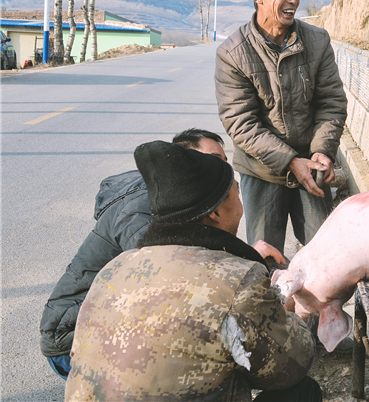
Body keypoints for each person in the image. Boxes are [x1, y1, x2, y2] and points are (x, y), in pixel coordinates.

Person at [66, 141, 320, 401]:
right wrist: (284, 310)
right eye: (236, 195)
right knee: (303, 391)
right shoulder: (237, 280)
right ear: (216, 213)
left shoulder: (114, 268)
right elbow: (290, 366)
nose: (242, 208)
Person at [40, 128, 228, 380]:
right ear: (181, 161)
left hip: (109, 318)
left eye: (225, 162)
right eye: (215, 160)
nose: (224, 170)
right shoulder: (143, 210)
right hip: (73, 337)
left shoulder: (174, 199)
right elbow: (166, 285)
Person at [215, 0, 347, 254]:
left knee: (323, 253)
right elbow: (241, 123)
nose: (293, 1)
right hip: (261, 171)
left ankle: (310, 302)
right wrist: (290, 161)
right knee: (264, 256)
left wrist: (323, 151)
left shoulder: (316, 40)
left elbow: (331, 102)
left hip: (311, 166)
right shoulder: (233, 53)